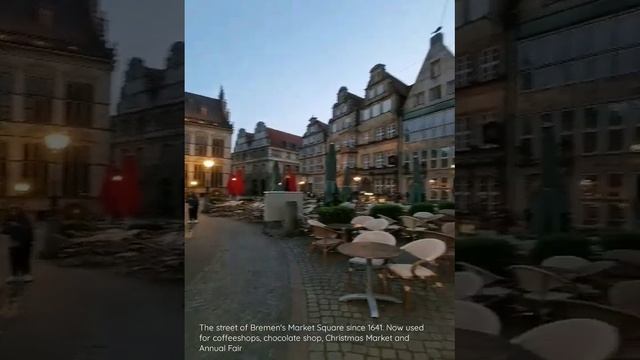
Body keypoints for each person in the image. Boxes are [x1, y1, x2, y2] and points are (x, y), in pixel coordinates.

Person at [2, 206, 34, 283]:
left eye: (15, 209)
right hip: (14, 242)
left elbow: (28, 229)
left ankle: (26, 274)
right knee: (13, 258)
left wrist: (17, 225)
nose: (13, 211)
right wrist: (8, 226)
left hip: (24, 242)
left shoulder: (25, 218)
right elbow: (5, 230)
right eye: (12, 210)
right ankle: (14, 275)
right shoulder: (9, 219)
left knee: (24, 258)